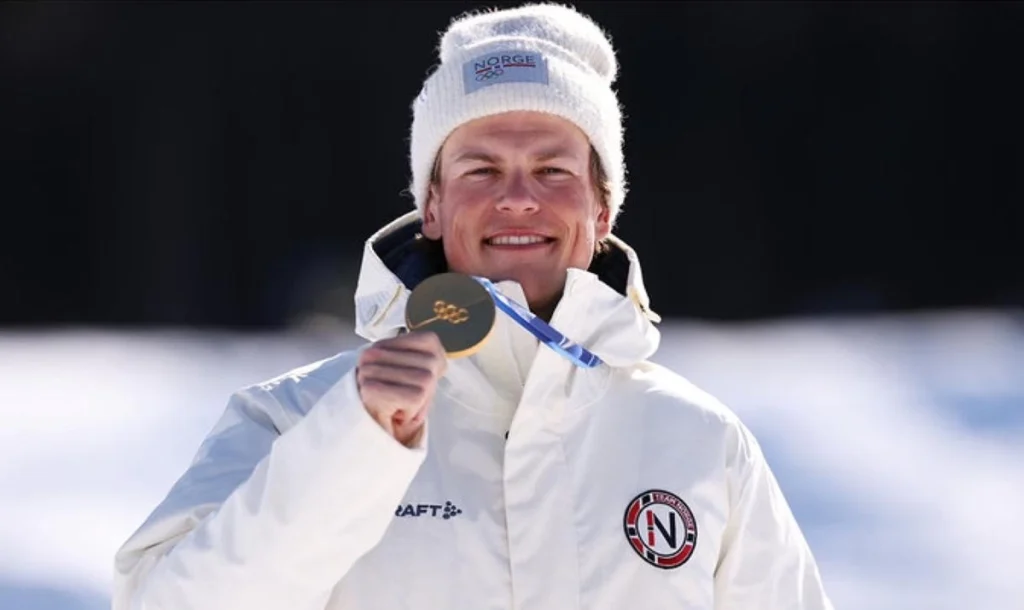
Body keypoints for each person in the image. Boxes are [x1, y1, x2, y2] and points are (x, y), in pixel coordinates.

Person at [112, 4, 834, 609]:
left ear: (603, 209)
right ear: (431, 205)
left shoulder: (699, 441)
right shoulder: (297, 418)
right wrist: (355, 445)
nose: (517, 197)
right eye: (481, 169)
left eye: (552, 169)